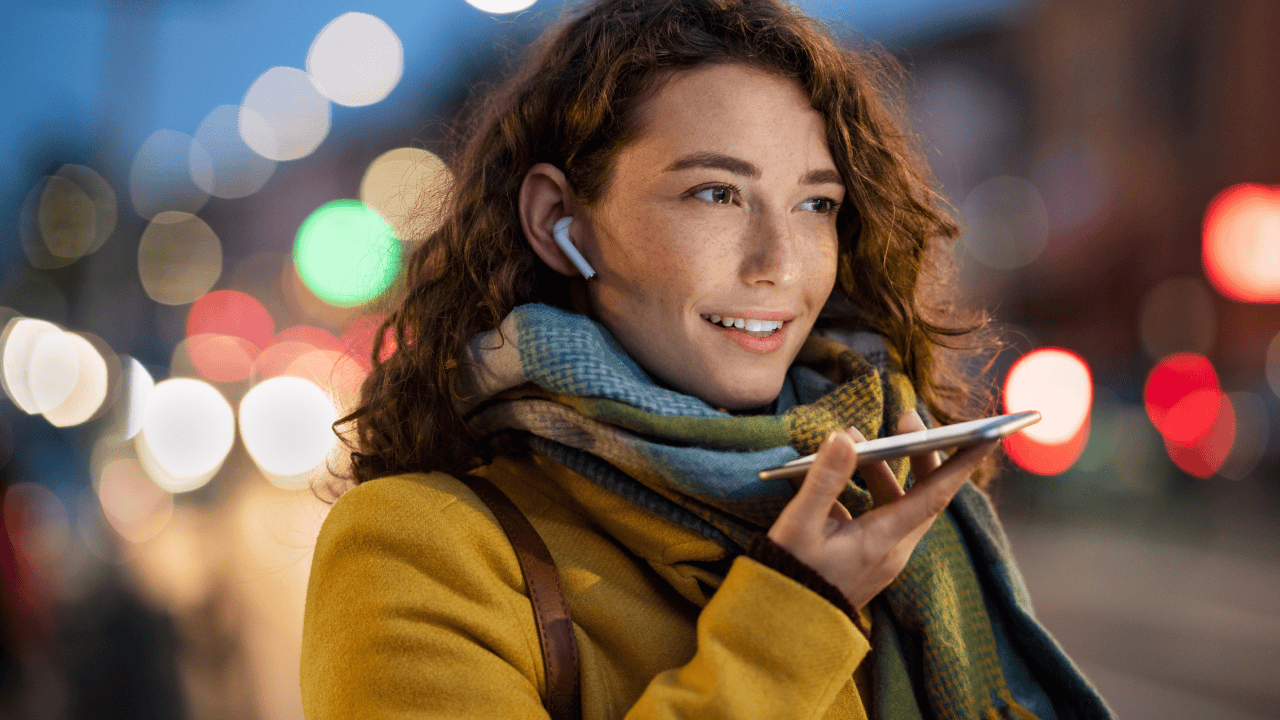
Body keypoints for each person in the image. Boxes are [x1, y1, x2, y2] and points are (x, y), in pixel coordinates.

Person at [300, 1, 1114, 718]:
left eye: (816, 204)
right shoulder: (416, 548)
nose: (780, 264)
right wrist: (796, 616)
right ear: (558, 222)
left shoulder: (873, 501)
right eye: (716, 194)